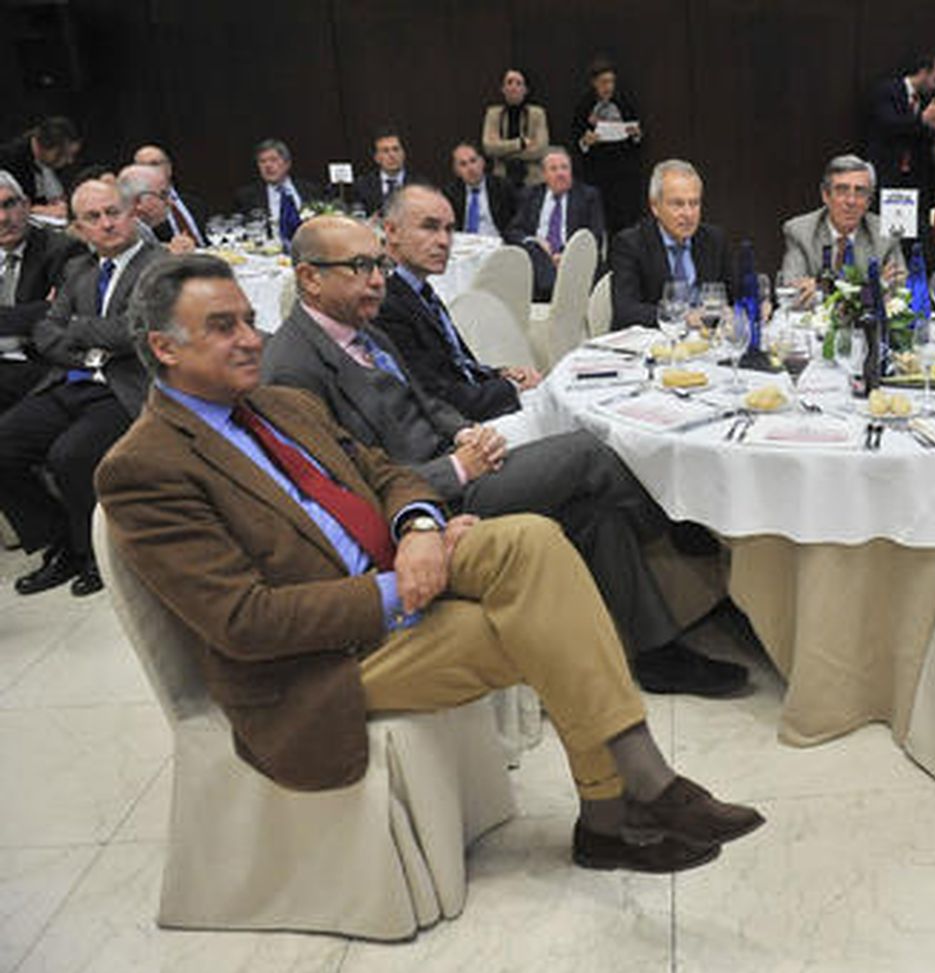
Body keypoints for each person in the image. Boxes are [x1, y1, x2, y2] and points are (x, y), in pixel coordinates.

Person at [100, 252, 764, 872]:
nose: (251, 338)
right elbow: (245, 621)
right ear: (165, 347)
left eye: (249, 319)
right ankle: (618, 808)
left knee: (533, 540)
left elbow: (387, 474)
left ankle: (635, 794)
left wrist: (420, 527)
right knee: (539, 622)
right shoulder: (146, 467)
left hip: (389, 571)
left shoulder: (280, 406)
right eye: (223, 327)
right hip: (316, 664)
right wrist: (400, 586)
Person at [260, 215, 744, 697]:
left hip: (461, 459)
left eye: (379, 265)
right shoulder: (292, 369)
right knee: (589, 452)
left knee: (596, 512)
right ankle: (693, 530)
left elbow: (426, 403)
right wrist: (454, 469)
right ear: (310, 277)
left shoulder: (362, 330)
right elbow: (347, 489)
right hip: (432, 507)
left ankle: (658, 654)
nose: (376, 280)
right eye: (360, 267)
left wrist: (466, 432)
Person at [0, 178, 163, 595]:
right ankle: (61, 543)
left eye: (113, 213)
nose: (106, 224)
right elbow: (45, 332)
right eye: (93, 217)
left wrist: (74, 326)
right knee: (4, 444)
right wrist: (88, 349)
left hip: (125, 388)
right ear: (79, 228)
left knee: (70, 455)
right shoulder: (78, 270)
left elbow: (134, 332)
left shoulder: (160, 266)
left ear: (132, 214)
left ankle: (97, 555)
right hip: (71, 380)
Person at [373, 185, 540, 421]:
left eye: (449, 229)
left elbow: (454, 364)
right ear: (391, 231)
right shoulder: (383, 301)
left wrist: (499, 374)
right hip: (456, 429)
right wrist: (511, 388)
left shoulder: (420, 290)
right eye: (429, 227)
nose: (444, 241)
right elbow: (434, 398)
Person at [608, 160, 732, 330]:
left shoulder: (714, 239)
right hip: (655, 340)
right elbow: (626, 311)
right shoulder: (630, 244)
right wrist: (684, 317)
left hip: (705, 339)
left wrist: (758, 303)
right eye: (678, 204)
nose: (688, 213)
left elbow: (736, 292)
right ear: (655, 206)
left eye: (694, 203)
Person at [0, 169, 87, 410]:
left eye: (9, 204)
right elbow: (41, 311)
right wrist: (34, 311)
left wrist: (44, 310)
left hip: (38, 364)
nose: (3, 218)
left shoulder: (63, 250)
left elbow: (62, 317)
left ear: (27, 205)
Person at [780, 154, 904, 284]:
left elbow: (899, 287)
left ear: (869, 201)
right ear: (825, 195)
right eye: (842, 190)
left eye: (860, 191)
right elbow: (792, 286)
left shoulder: (886, 233)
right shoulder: (800, 232)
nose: (851, 201)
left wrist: (820, 287)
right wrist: (875, 286)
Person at [505, 147, 607, 301]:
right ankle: (552, 289)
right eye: (553, 169)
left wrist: (567, 253)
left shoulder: (588, 196)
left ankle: (549, 291)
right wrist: (535, 241)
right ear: (544, 175)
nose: (560, 173)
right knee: (532, 251)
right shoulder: (531, 195)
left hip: (573, 258)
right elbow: (513, 231)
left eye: (564, 168)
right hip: (537, 256)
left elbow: (595, 235)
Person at [864, 54, 935, 214]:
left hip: (915, 177)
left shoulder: (927, 101)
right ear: (923, 73)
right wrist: (922, 120)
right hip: (887, 171)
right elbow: (889, 125)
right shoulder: (888, 90)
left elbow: (921, 133)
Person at [571, 57, 646, 235]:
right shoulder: (584, 106)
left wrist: (636, 134)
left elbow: (639, 138)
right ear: (594, 83)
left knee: (623, 222)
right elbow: (576, 139)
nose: (608, 87)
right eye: (603, 82)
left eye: (611, 82)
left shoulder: (625, 102)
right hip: (595, 172)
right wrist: (585, 142)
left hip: (622, 172)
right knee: (596, 221)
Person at [234, 139, 328, 247]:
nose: (268, 166)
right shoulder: (247, 196)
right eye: (262, 161)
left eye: (273, 160)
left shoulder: (311, 190)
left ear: (287, 163)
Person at [0, 117, 80, 220]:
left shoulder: (55, 163)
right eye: (65, 154)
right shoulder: (8, 160)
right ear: (46, 146)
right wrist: (38, 209)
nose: (70, 161)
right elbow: (7, 204)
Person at [481, 69, 548, 189]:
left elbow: (540, 150)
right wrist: (520, 144)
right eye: (509, 82)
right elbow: (489, 147)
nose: (513, 87)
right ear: (503, 89)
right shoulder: (493, 114)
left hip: (532, 180)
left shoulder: (537, 114)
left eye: (518, 83)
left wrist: (503, 152)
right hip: (501, 178)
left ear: (525, 90)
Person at [131, 144, 209, 246]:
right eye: (142, 166)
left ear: (169, 168)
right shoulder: (137, 210)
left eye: (154, 164)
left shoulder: (194, 203)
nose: (148, 171)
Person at [442, 142, 516, 240]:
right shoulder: (450, 193)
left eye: (473, 161)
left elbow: (516, 221)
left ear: (482, 162)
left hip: (496, 241)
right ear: (456, 171)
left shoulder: (502, 187)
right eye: (463, 164)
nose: (471, 168)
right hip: (464, 243)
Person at [119, 165, 196, 254]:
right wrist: (175, 256)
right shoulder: (129, 234)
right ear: (138, 201)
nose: (170, 202)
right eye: (163, 195)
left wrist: (170, 248)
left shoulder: (138, 229)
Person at [352, 126, 425, 216]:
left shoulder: (420, 185)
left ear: (403, 154)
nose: (392, 155)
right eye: (385, 151)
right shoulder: (363, 186)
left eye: (396, 149)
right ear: (377, 158)